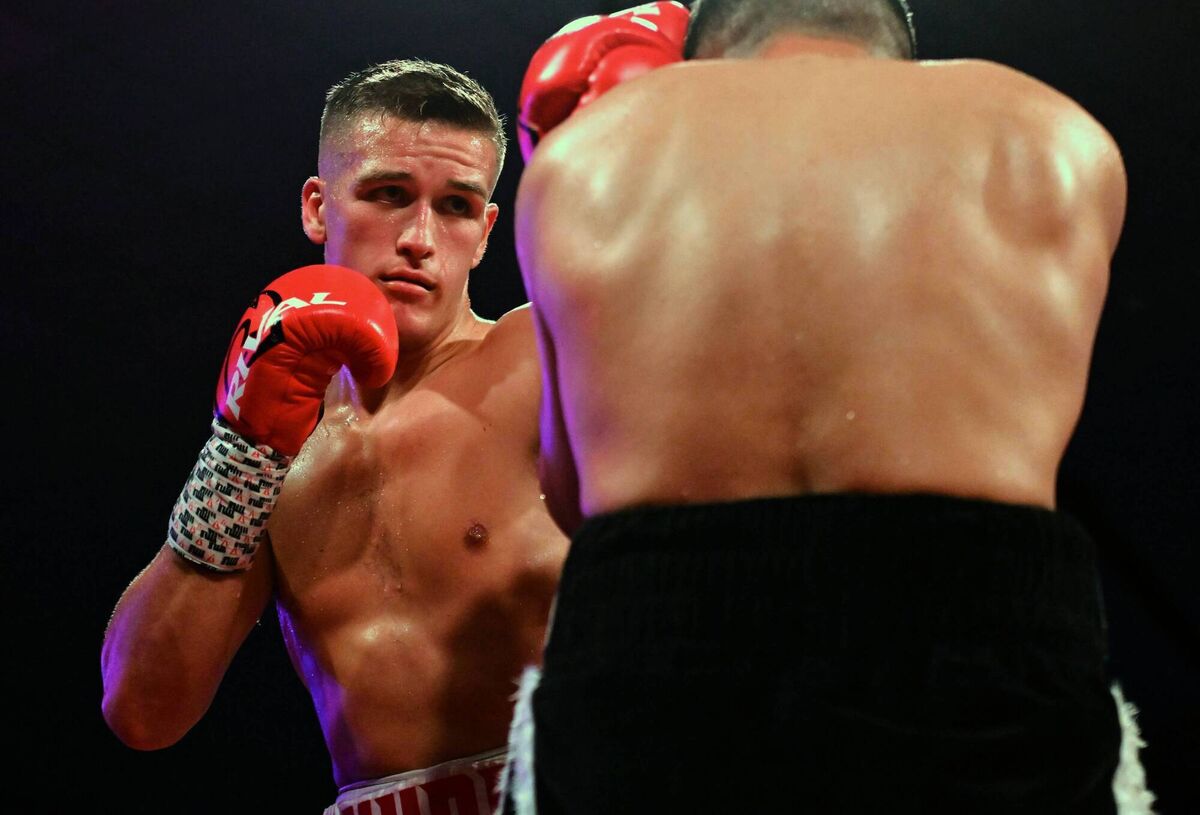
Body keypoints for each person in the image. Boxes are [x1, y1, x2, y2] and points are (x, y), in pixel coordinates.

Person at [505, 1, 1153, 812]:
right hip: (980, 633)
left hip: (659, 648)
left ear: (705, 54)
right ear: (897, 52)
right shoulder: (1055, 136)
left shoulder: (583, 159)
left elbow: (570, 494)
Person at [101, 59, 568, 815]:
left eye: (455, 207)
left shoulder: (538, 356)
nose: (420, 238)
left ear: (485, 233)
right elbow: (142, 709)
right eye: (388, 195)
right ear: (319, 207)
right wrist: (239, 451)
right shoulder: (273, 455)